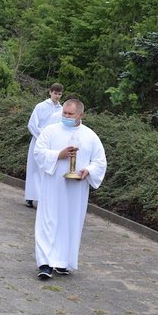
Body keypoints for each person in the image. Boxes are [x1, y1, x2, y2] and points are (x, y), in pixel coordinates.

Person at [33, 98, 107, 279]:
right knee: (48, 223)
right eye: (64, 113)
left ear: (80, 115)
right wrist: (59, 155)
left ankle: (63, 262)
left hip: (76, 190)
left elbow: (100, 161)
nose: (65, 116)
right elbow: (38, 152)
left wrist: (88, 171)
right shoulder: (51, 131)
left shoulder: (90, 136)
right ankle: (45, 263)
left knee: (70, 224)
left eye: (70, 114)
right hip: (53, 186)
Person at [25, 83, 64, 208]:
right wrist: (42, 137)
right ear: (50, 92)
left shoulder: (62, 110)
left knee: (47, 170)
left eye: (59, 94)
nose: (57, 96)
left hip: (52, 144)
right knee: (34, 169)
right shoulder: (40, 107)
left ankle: (44, 197)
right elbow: (32, 124)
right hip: (38, 141)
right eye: (55, 93)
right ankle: (30, 197)